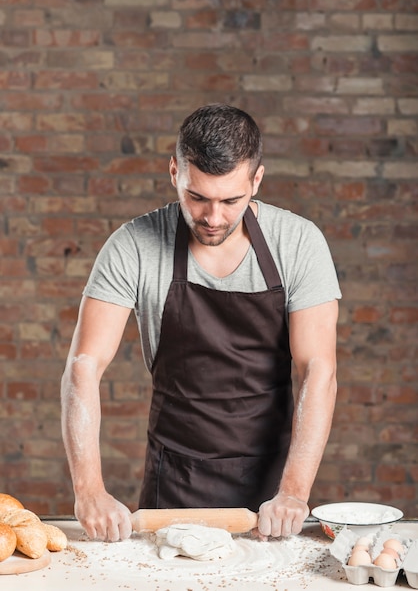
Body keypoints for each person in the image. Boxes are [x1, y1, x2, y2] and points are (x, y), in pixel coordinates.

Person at [61, 103, 341, 543]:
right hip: (173, 480)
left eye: (231, 200)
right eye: (197, 197)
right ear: (175, 172)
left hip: (273, 493)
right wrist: (89, 490)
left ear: (257, 181)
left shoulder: (298, 243)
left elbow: (318, 371)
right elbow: (84, 365)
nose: (213, 218)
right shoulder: (132, 246)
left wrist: (293, 492)